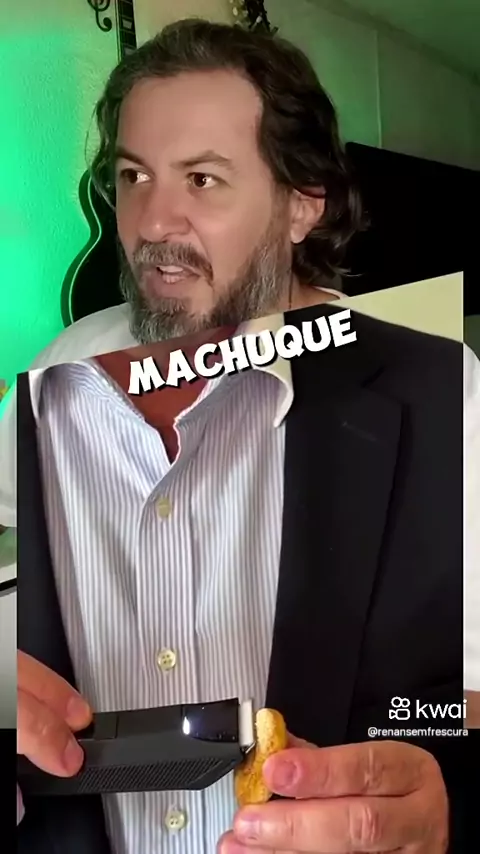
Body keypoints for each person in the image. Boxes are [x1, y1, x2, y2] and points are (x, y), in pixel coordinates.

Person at [1, 17, 478, 854]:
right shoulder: (55, 377)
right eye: (135, 175)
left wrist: (441, 786)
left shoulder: (440, 388)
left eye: (203, 179)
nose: (154, 222)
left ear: (302, 205)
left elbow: (459, 704)